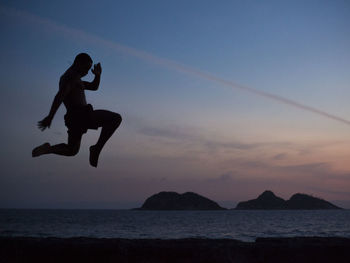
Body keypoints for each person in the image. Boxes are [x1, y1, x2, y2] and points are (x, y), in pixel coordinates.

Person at [32, 53, 122, 167]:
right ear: (78, 63)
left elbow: (94, 87)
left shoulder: (75, 78)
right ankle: (96, 148)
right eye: (86, 68)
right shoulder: (71, 77)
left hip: (74, 119)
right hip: (82, 115)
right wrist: (50, 116)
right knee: (115, 119)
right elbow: (60, 95)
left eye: (89, 69)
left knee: (72, 150)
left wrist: (98, 75)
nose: (87, 72)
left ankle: (48, 149)